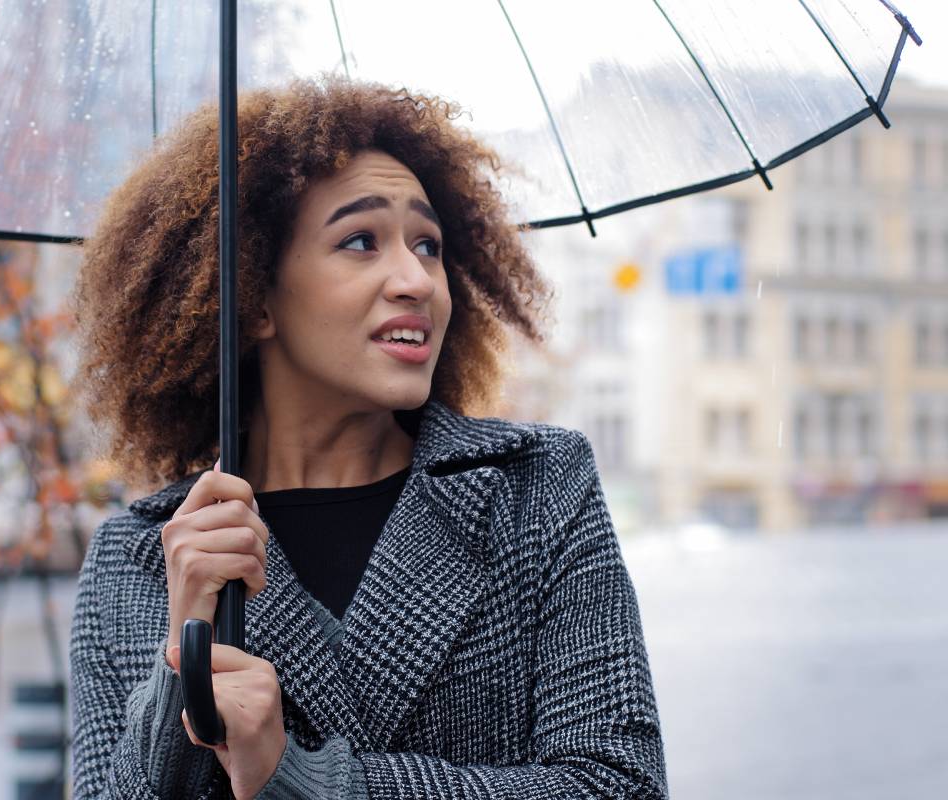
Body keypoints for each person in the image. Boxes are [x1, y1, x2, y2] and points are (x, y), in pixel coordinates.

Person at [68, 75, 668, 799]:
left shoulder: (536, 488)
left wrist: (308, 783)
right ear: (253, 296)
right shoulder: (138, 561)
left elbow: (619, 786)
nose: (415, 279)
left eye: (428, 245)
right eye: (362, 241)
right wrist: (181, 684)